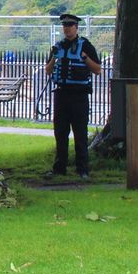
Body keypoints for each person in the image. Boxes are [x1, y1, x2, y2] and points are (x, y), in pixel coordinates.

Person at [44, 12, 102, 180]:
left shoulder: (86, 46)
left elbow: (97, 70)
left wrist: (85, 58)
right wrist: (54, 59)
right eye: (65, 26)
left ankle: (82, 169)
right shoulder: (58, 47)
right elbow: (48, 71)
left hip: (79, 95)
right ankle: (59, 168)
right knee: (60, 133)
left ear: (76, 27)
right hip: (61, 94)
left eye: (70, 26)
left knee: (80, 133)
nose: (67, 29)